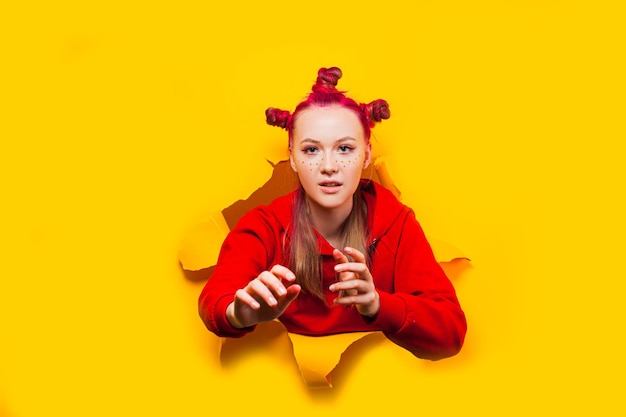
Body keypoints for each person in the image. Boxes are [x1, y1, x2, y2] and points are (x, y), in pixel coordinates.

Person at [198, 67, 466, 360]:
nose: (328, 166)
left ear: (366, 155)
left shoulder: (397, 224)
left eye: (344, 149)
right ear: (293, 158)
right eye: (312, 150)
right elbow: (215, 300)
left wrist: (377, 304)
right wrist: (239, 313)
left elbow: (450, 332)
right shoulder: (263, 226)